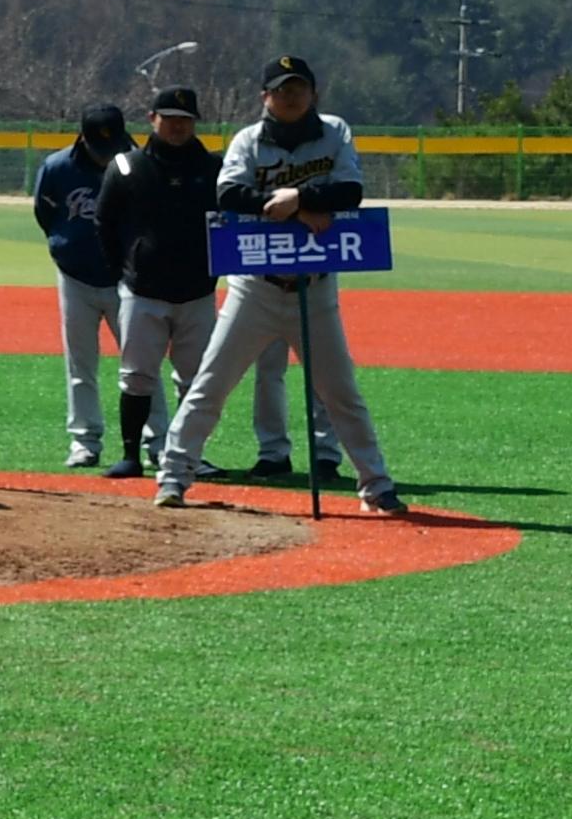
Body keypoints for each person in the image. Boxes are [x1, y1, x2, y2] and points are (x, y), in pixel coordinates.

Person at [152, 57, 409, 516]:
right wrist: (291, 206)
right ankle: (173, 476)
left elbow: (350, 191)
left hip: (315, 288)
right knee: (210, 385)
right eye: (280, 89)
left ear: (313, 93)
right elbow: (228, 195)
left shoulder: (334, 132)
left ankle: (376, 485)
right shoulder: (249, 140)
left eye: (298, 87)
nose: (290, 96)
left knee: (341, 392)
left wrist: (302, 197)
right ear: (264, 96)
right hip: (255, 289)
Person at [95, 86, 209, 478]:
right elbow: (103, 222)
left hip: (198, 291)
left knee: (195, 380)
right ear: (152, 118)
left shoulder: (213, 168)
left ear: (195, 123)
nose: (177, 126)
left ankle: (189, 455)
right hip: (143, 290)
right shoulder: (127, 167)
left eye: (185, 119)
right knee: (137, 376)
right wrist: (122, 269)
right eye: (169, 117)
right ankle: (132, 454)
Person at [35, 104, 135, 468]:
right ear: (84, 139)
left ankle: (158, 442)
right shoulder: (58, 168)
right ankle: (85, 442)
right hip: (75, 277)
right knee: (80, 365)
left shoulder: (136, 164)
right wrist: (67, 249)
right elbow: (46, 215)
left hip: (128, 281)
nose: (106, 156)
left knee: (141, 365)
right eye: (99, 148)